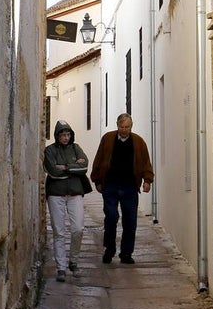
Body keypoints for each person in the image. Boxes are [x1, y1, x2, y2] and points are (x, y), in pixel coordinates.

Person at [89, 113, 154, 264]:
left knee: (130, 220)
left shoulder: (138, 142)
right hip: (111, 184)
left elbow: (145, 162)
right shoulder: (108, 139)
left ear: (131, 126)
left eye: (127, 127)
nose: (124, 130)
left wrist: (147, 180)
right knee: (111, 217)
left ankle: (126, 253)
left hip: (130, 186)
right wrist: (97, 180)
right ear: (117, 125)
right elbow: (99, 159)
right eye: (121, 127)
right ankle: (109, 249)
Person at [43, 120, 91, 282]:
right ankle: (61, 267)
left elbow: (84, 167)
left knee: (78, 228)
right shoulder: (49, 150)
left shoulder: (76, 148)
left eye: (68, 134)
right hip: (56, 194)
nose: (65, 137)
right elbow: (53, 171)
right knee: (59, 231)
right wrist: (73, 168)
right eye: (62, 135)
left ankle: (74, 260)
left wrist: (65, 167)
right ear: (57, 136)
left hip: (75, 192)